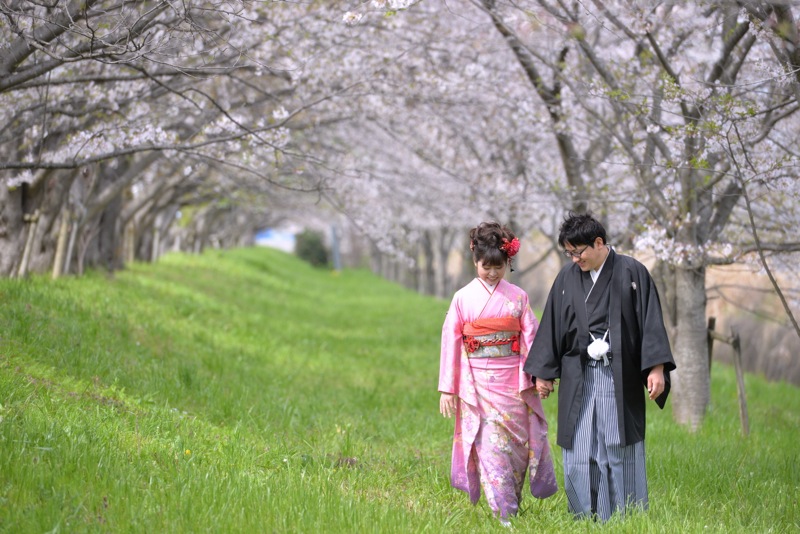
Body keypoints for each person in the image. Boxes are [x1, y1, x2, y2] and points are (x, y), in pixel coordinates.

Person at [524, 212, 676, 522]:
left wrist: (657, 368)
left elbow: (651, 323)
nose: (575, 258)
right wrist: (543, 372)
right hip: (577, 375)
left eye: (579, 251)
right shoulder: (567, 278)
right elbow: (553, 324)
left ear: (598, 242)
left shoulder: (633, 272)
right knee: (580, 447)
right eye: (570, 253)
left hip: (619, 376)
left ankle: (625, 515)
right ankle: (583, 516)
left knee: (617, 445)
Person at [439, 221, 557, 525]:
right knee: (491, 447)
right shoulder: (462, 298)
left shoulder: (518, 297)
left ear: (508, 263)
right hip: (478, 385)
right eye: (485, 266)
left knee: (516, 451)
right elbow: (451, 343)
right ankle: (504, 515)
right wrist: (448, 388)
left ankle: (512, 506)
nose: (492, 273)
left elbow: (532, 339)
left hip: (513, 386)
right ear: (475, 261)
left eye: (498, 266)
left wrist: (541, 375)